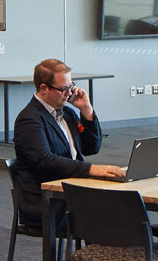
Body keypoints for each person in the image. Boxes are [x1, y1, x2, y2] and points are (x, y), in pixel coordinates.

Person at [10, 59, 124, 230]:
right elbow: (44, 160)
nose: (70, 93)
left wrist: (87, 110)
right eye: (64, 89)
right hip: (46, 202)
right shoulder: (29, 119)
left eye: (71, 86)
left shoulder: (68, 113)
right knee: (115, 213)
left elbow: (91, 148)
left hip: (71, 191)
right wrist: (91, 169)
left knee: (123, 206)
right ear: (44, 88)